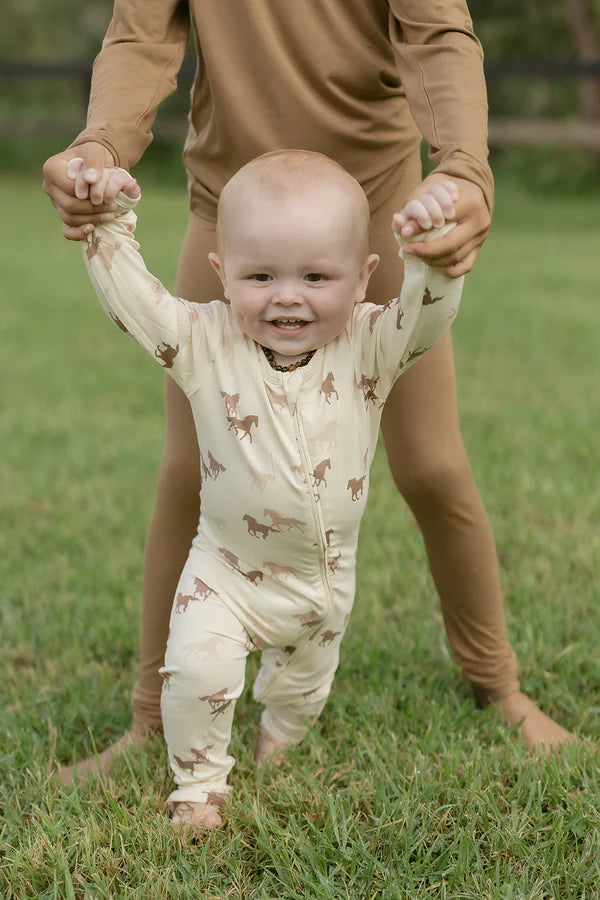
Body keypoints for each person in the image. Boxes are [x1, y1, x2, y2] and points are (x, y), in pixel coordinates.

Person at [43, 1, 575, 782]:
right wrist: (100, 143)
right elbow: (142, 32)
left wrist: (463, 166)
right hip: (232, 213)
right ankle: (150, 720)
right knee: (189, 472)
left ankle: (499, 686)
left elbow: (436, 32)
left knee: (431, 464)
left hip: (370, 209)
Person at [71, 149, 465, 829]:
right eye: (260, 275)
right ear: (222, 275)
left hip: (324, 583)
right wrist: (108, 227)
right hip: (226, 570)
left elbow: (425, 319)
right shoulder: (206, 342)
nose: (288, 295)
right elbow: (138, 306)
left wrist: (430, 258)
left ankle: (279, 734)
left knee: (301, 692)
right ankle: (198, 786)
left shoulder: (369, 343)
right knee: (197, 671)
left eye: (316, 275)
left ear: (362, 277)